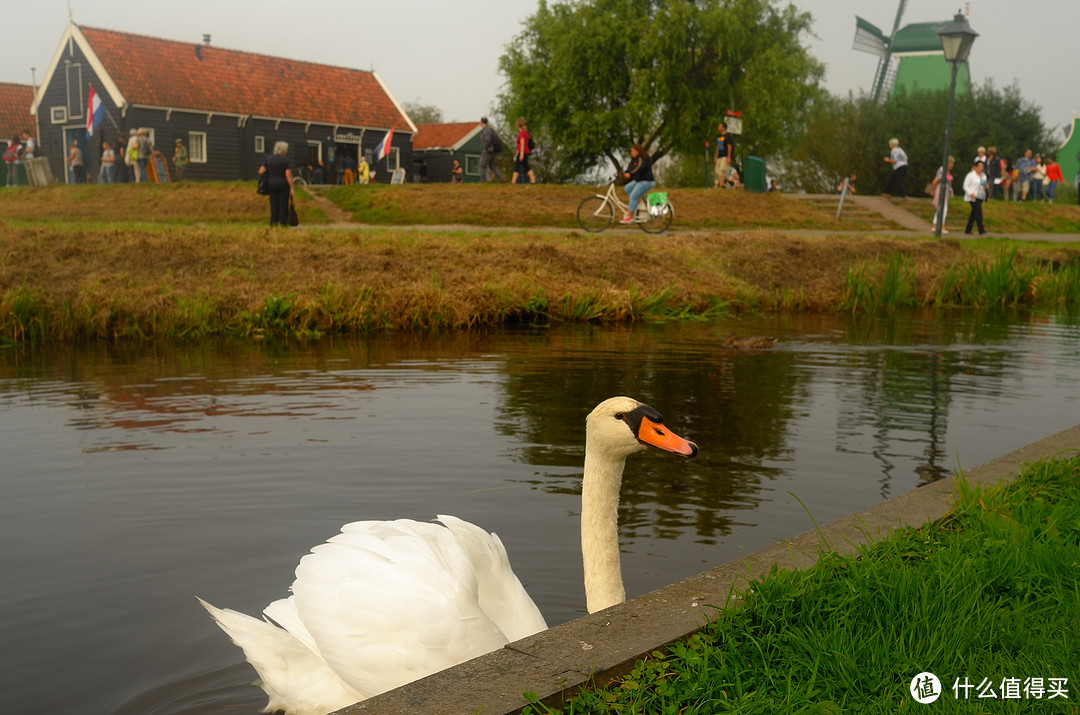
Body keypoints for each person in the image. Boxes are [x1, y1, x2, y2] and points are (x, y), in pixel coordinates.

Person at [258, 140, 295, 227]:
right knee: (283, 204)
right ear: (284, 151)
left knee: (273, 204)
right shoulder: (286, 160)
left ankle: (273, 223)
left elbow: (260, 171)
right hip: (283, 184)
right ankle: (283, 223)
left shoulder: (268, 159)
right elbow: (288, 175)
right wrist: (291, 188)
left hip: (271, 184)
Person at [619, 143, 655, 224]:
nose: (631, 153)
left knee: (633, 196)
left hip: (646, 181)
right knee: (627, 188)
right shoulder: (638, 160)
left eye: (632, 151)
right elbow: (634, 168)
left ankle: (629, 217)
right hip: (640, 181)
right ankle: (634, 207)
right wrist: (625, 172)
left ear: (637, 151)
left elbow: (638, 169)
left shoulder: (642, 159)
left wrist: (630, 174)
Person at [930, 156, 955, 235]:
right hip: (941, 190)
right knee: (943, 208)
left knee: (941, 208)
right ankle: (941, 226)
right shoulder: (942, 170)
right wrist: (933, 190)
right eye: (952, 163)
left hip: (945, 191)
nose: (952, 165)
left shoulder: (946, 171)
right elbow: (935, 181)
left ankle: (935, 225)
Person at [962, 160, 988, 235]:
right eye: (980, 166)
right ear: (976, 167)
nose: (981, 168)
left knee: (974, 213)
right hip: (973, 197)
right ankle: (981, 229)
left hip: (980, 196)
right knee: (978, 212)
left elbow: (983, 184)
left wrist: (986, 186)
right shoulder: (970, 175)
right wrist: (970, 193)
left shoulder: (984, 176)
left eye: (982, 167)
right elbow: (965, 185)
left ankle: (968, 229)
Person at [479, 117, 505, 183]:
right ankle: (502, 178)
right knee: (492, 166)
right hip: (493, 150)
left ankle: (482, 181)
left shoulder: (486, 130)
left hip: (489, 150)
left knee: (482, 165)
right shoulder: (490, 130)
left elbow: (487, 140)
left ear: (481, 123)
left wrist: (485, 148)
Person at [511, 117, 536, 184]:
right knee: (526, 166)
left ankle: (513, 182)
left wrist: (521, 154)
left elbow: (522, 144)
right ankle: (533, 180)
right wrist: (517, 152)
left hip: (523, 152)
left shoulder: (521, 133)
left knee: (516, 166)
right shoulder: (525, 133)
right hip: (526, 152)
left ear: (518, 125)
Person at [713, 122, 733, 189]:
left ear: (723, 128)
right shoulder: (720, 137)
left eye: (719, 126)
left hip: (725, 156)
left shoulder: (728, 136)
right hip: (719, 156)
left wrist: (729, 157)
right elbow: (719, 147)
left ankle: (721, 184)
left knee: (722, 170)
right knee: (717, 171)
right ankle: (725, 183)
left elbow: (729, 147)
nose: (718, 128)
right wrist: (715, 156)